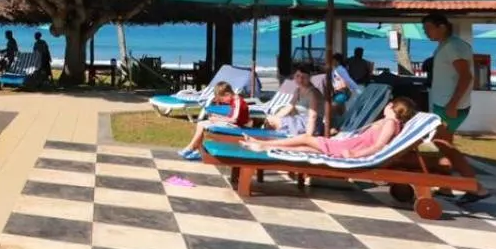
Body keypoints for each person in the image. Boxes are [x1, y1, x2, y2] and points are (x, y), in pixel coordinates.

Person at [422, 13, 490, 205]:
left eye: (429, 28)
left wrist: (453, 104)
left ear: (442, 27)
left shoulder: (453, 46)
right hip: (443, 104)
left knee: (444, 147)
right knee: (441, 147)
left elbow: (466, 77)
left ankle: (476, 188)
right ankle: (445, 187)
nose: (426, 33)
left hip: (449, 106)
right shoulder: (447, 45)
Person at [243, 98, 415, 157]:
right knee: (306, 148)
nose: (386, 106)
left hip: (350, 148)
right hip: (349, 145)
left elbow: (378, 146)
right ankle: (264, 147)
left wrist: (355, 154)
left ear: (392, 107)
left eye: (389, 104)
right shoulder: (390, 122)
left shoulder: (390, 123)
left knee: (305, 139)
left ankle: (263, 144)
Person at [177, 82, 248, 160]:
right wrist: (218, 116)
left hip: (236, 127)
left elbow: (234, 119)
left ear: (227, 94)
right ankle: (195, 148)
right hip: (232, 124)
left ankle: (193, 148)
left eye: (222, 99)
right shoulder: (234, 100)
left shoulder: (237, 101)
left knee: (203, 124)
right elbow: (232, 117)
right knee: (200, 124)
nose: (223, 102)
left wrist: (218, 119)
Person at [257, 66, 325, 137]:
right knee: (269, 120)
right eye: (297, 76)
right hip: (300, 121)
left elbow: (313, 116)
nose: (300, 79)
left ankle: (274, 140)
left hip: (310, 125)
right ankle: (273, 139)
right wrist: (275, 117)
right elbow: (289, 107)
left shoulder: (313, 93)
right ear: (294, 77)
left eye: (304, 77)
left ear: (309, 78)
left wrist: (308, 136)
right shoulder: (298, 90)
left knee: (272, 121)